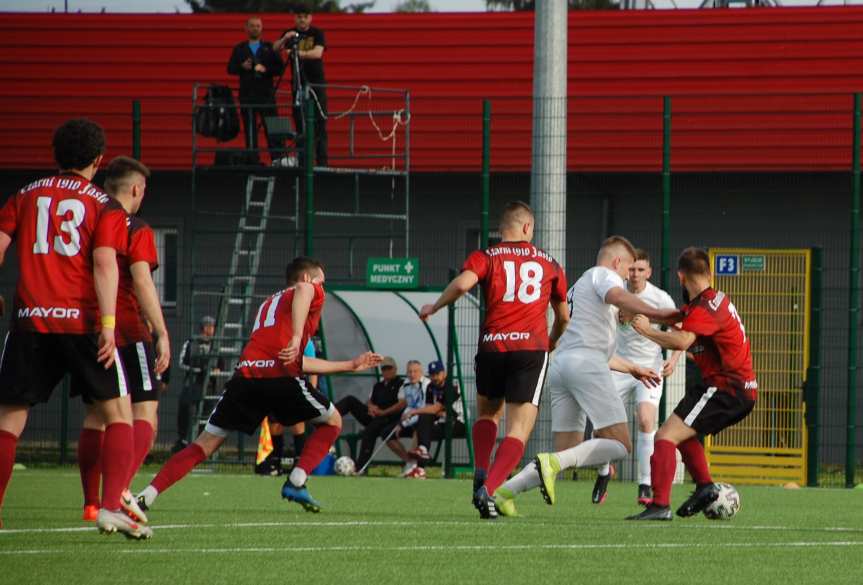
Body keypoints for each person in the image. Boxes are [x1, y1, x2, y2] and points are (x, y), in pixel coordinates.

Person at [136, 257, 381, 515]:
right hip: (279, 379)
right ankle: (297, 481)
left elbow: (295, 359)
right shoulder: (307, 289)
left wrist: (350, 364)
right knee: (333, 422)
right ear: (309, 278)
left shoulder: (268, 305)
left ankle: (146, 496)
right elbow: (303, 291)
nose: (323, 288)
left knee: (203, 444)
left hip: (246, 379)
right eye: (321, 281)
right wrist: (298, 336)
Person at [0, 119, 146, 538]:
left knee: (8, 420)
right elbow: (103, 264)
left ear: (55, 154)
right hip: (81, 322)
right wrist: (107, 324)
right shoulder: (105, 204)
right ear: (99, 160)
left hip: (30, 321)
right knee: (118, 412)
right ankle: (108, 505)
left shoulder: (24, 195)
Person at [494, 236, 678, 518]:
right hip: (586, 366)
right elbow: (617, 297)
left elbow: (590, 344)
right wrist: (660, 314)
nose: (628, 278)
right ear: (617, 262)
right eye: (628, 270)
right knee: (620, 445)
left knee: (566, 452)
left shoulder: (579, 285)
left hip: (563, 366)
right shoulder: (603, 275)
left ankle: (507, 492)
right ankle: (551, 465)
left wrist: (632, 368)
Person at [419, 201, 570, 520]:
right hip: (530, 351)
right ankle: (491, 487)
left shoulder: (486, 256)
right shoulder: (550, 264)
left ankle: (480, 471)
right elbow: (564, 316)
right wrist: (551, 341)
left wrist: (435, 306)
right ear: (528, 227)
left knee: (488, 413)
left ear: (503, 229)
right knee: (519, 428)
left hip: (492, 347)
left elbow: (462, 285)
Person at [626, 247, 757, 521]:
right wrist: (639, 314)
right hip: (731, 388)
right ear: (709, 273)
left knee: (664, 437)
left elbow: (683, 340)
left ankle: (660, 505)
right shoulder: (708, 301)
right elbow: (673, 315)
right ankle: (705, 487)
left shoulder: (706, 307)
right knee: (682, 434)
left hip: (726, 388)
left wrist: (646, 331)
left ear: (680, 277)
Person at [76, 156, 171, 524]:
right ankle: (120, 495)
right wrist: (161, 332)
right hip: (127, 328)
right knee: (144, 411)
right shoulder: (135, 226)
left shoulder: (91, 219)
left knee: (97, 415)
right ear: (136, 189)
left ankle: (90, 503)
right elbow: (143, 281)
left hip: (87, 326)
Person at [591, 249, 682, 506]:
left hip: (649, 367)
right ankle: (603, 471)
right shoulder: (615, 293)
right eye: (632, 269)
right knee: (601, 426)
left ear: (649, 272)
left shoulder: (659, 297)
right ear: (625, 269)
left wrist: (672, 360)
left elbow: (681, 330)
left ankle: (644, 485)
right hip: (620, 366)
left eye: (640, 270)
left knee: (645, 420)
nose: (635, 274)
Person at [274, 6, 328, 166]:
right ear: (295, 18)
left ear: (310, 18)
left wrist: (297, 53)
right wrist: (285, 39)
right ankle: (304, 161)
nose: (302, 20)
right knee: (300, 122)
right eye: (299, 16)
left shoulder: (317, 33)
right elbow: (275, 48)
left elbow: (318, 53)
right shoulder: (290, 33)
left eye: (305, 16)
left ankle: (322, 162)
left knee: (320, 122)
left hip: (316, 84)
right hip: (298, 85)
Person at [227, 16, 284, 164]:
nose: (255, 28)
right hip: (247, 95)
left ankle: (278, 160)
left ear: (262, 28)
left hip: (267, 95)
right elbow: (230, 68)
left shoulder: (270, 47)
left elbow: (280, 68)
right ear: (246, 28)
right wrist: (242, 67)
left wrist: (265, 69)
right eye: (252, 26)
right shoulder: (239, 48)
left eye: (258, 26)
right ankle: (253, 161)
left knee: (274, 127)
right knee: (250, 129)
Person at [256, 339, 317, 476]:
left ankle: (299, 464)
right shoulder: (274, 336)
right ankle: (275, 463)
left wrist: (312, 389)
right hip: (275, 385)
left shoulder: (306, 341)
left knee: (297, 424)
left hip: (296, 386)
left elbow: (313, 368)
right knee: (275, 425)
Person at [335, 355, 404, 472]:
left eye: (389, 368)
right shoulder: (378, 385)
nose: (386, 371)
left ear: (395, 369)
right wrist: (371, 408)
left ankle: (359, 467)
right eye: (384, 369)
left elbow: (401, 404)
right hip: (374, 415)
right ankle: (330, 416)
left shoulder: (401, 383)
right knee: (350, 400)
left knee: (369, 431)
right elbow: (369, 401)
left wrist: (383, 412)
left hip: (388, 418)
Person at [174, 315, 222, 453]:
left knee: (208, 414)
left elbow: (220, 363)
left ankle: (203, 445)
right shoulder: (191, 342)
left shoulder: (215, 343)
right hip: (193, 384)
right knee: (187, 411)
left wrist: (216, 370)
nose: (213, 329)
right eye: (211, 326)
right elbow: (182, 363)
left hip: (209, 387)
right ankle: (184, 441)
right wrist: (199, 370)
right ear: (205, 327)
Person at [408, 360, 467, 472]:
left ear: (444, 373)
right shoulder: (430, 386)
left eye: (437, 374)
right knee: (422, 427)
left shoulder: (452, 386)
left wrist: (414, 412)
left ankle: (421, 462)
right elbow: (430, 409)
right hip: (442, 421)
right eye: (432, 374)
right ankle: (420, 466)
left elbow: (435, 408)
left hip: (459, 423)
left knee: (424, 421)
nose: (435, 377)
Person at [389, 360, 430, 478]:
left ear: (421, 372)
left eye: (415, 371)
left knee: (418, 430)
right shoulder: (405, 385)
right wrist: (400, 423)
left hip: (423, 418)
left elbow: (424, 409)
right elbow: (407, 406)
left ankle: (414, 466)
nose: (412, 374)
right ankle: (409, 461)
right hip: (409, 418)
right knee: (388, 433)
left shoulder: (427, 385)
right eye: (410, 372)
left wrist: (405, 422)